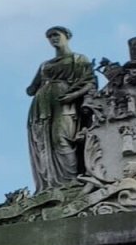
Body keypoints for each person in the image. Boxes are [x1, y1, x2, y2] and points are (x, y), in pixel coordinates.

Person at [26, 26, 96, 192]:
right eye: (50, 37)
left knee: (62, 138)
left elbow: (90, 83)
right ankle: (49, 185)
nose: (53, 39)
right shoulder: (45, 65)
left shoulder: (78, 59)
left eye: (56, 35)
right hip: (41, 107)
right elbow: (31, 89)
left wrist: (73, 95)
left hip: (66, 104)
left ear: (67, 36)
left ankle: (70, 180)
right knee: (44, 142)